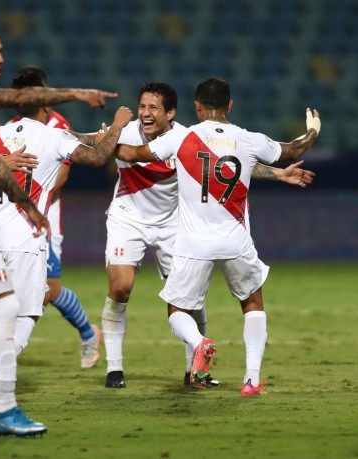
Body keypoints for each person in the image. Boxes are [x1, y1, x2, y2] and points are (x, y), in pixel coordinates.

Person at [0, 26, 117, 437]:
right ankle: (4, 408)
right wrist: (77, 94)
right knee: (13, 309)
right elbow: (14, 101)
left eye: (2, 51)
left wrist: (28, 205)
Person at [98, 81, 316, 389]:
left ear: (197, 107)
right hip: (236, 239)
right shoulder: (248, 139)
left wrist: (109, 138)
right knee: (252, 304)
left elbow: (133, 154)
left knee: (178, 310)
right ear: (230, 106)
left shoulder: (182, 137)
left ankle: (199, 344)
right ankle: (251, 380)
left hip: (193, 241)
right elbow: (293, 149)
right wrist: (312, 132)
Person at [0, 66, 131, 381]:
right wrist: (117, 126)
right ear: (46, 101)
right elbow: (96, 156)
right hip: (27, 234)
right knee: (29, 312)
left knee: (6, 305)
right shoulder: (52, 135)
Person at [3, 65, 102, 369]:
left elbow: (62, 174)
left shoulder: (57, 125)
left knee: (48, 290)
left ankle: (88, 334)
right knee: (32, 292)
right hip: (14, 221)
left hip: (44, 219)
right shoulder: (12, 127)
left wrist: (32, 197)